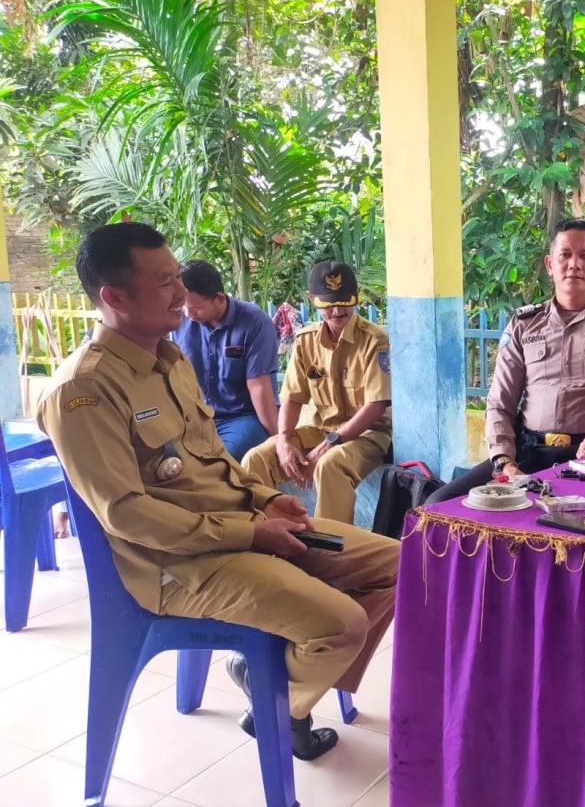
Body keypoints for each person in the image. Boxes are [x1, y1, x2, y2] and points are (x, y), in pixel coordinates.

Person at [38, 223, 399, 761]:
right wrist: (252, 532)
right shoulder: (82, 391)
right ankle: (287, 694)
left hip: (237, 527)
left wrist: (263, 499)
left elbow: (212, 461)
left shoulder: (169, 359)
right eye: (165, 284)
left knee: (404, 564)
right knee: (341, 623)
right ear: (113, 296)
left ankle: (280, 693)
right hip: (176, 562)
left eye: (177, 278)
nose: (183, 295)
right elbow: (129, 515)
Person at [427, 218, 585, 504]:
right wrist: (504, 462)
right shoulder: (524, 324)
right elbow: (500, 401)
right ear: (550, 265)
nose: (574, 264)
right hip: (529, 454)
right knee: (440, 504)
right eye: (565, 255)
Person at [241, 261, 391, 525]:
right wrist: (284, 440)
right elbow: (292, 397)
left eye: (344, 301)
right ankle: (270, 535)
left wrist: (330, 443)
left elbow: (376, 406)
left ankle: (332, 551)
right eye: (328, 303)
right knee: (256, 459)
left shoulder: (375, 340)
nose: (337, 310)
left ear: (356, 296)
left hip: (368, 436)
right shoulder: (306, 340)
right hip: (322, 431)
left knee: (330, 465)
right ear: (312, 300)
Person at [173, 260, 279, 460]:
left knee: (222, 461)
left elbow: (259, 387)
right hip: (195, 416)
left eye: (195, 308)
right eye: (184, 307)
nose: (188, 314)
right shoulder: (179, 320)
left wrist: (278, 439)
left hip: (243, 417)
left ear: (219, 299)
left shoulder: (256, 323)